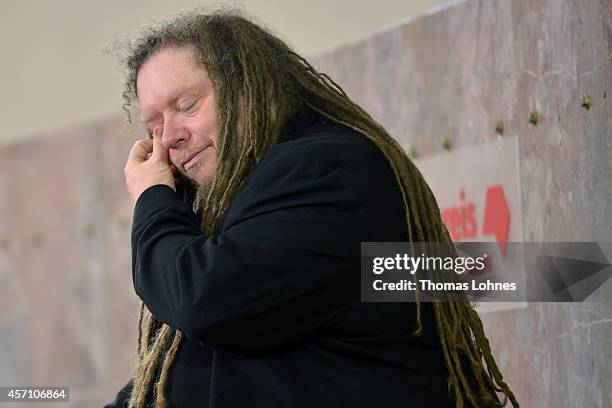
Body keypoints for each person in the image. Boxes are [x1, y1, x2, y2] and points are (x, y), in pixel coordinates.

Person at [105, 8, 519, 408]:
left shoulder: (325, 170)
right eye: (154, 128)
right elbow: (190, 364)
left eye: (187, 105)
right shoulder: (243, 206)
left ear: (247, 86)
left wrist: (153, 199)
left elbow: (202, 299)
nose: (170, 138)